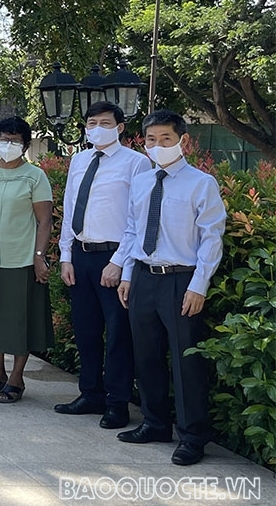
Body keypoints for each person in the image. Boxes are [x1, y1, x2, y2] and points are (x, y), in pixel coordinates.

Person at [110, 110, 226, 466]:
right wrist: (127, 274)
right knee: (146, 355)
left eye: (165, 139)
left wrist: (199, 285)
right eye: (150, 140)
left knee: (185, 360)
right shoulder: (143, 181)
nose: (157, 146)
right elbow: (132, 231)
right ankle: (155, 422)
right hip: (144, 276)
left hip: (181, 279)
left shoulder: (200, 183)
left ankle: (193, 436)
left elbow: (211, 237)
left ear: (183, 141)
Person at [55, 101, 151, 429]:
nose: (97, 127)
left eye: (105, 122)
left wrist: (118, 262)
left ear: (120, 127)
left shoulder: (137, 163)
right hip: (81, 255)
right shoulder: (79, 160)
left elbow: (137, 218)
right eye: (91, 122)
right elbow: (70, 210)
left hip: (114, 259)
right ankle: (90, 393)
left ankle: (117, 402)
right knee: (86, 330)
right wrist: (66, 256)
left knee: (118, 334)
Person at [0, 116, 53, 404]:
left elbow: (45, 221)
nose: (9, 145)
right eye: (4, 139)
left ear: (26, 144)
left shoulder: (35, 176)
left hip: (22, 260)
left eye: (15, 141)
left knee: (20, 321)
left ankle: (17, 376)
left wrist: (39, 256)